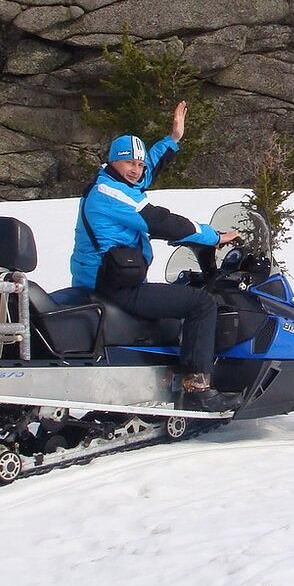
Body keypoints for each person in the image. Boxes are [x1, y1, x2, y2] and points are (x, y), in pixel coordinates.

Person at [71, 101, 239, 411]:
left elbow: (146, 170)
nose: (136, 170)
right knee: (201, 303)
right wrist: (214, 237)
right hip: (115, 286)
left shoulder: (112, 181)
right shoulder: (112, 195)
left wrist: (173, 140)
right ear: (113, 162)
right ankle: (197, 388)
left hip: (103, 280)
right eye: (129, 164)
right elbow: (161, 221)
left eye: (139, 164)